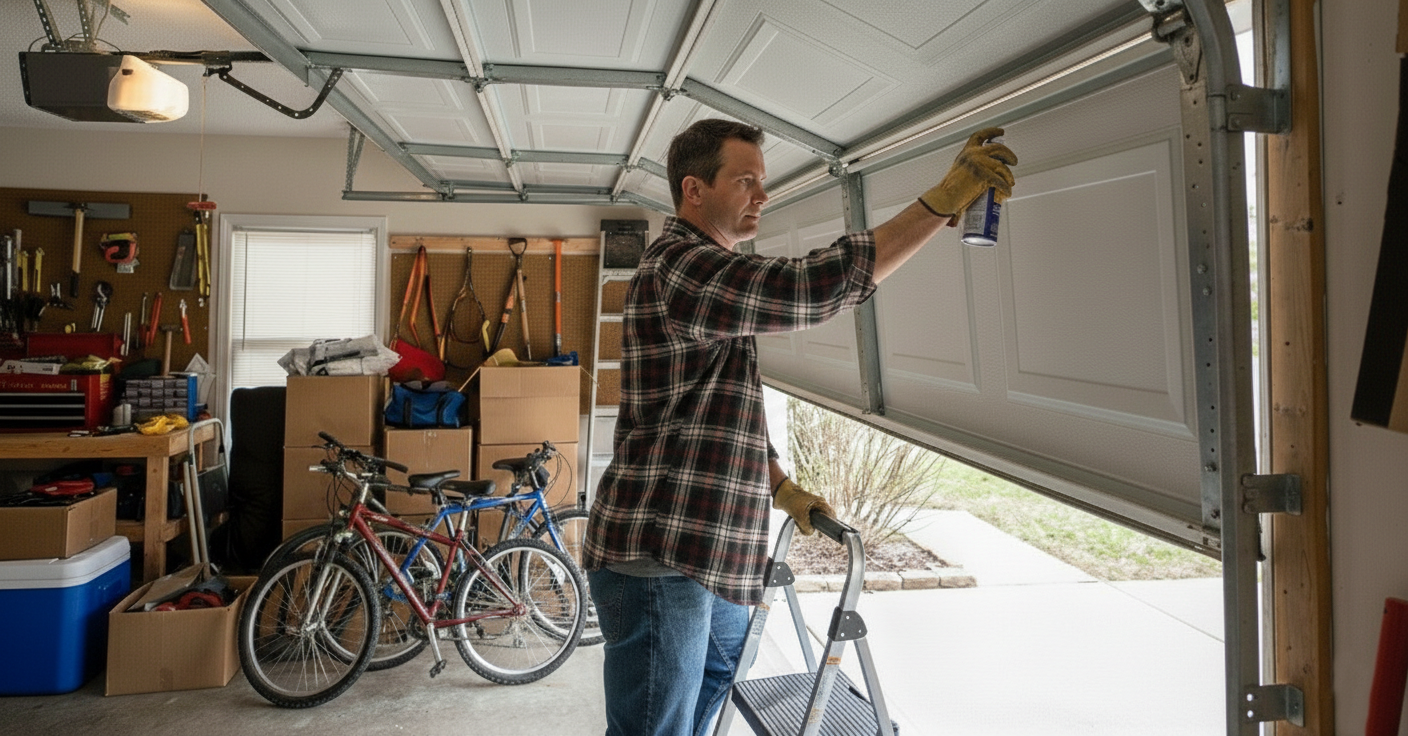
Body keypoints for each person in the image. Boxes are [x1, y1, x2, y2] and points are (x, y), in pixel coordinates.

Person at [582, 119, 1017, 736]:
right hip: (661, 552)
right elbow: (809, 289)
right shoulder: (678, 266)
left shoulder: (710, 272)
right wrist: (939, 202)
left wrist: (779, 485)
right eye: (746, 181)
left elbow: (719, 412)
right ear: (694, 189)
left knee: (712, 694)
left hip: (718, 550)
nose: (763, 196)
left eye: (763, 182)